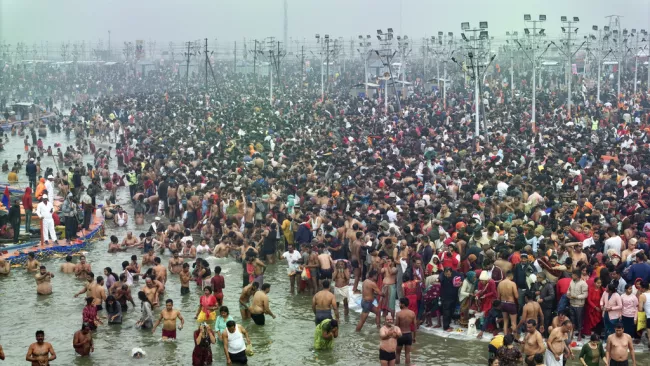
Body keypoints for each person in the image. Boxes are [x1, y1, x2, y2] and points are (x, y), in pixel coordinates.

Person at [568, 269, 588, 341]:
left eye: (573, 275)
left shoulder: (583, 284)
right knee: (572, 320)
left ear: (576, 276)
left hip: (579, 305)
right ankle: (572, 333)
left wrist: (576, 297)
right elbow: (569, 290)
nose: (572, 276)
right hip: (572, 304)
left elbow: (585, 295)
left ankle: (579, 334)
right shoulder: (571, 282)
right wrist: (568, 294)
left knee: (579, 320)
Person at [395, 297, 416, 365]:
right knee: (407, 353)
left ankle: (397, 364)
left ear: (403, 304)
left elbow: (396, 326)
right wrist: (414, 337)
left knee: (398, 353)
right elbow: (415, 327)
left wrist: (394, 337)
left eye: (400, 303)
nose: (399, 304)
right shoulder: (412, 313)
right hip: (408, 335)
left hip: (400, 335)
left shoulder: (398, 314)